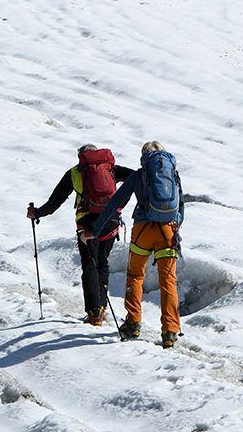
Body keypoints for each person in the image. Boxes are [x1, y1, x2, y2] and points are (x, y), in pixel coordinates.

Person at [90, 141, 185, 348]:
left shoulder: (139, 175)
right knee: (167, 280)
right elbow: (181, 207)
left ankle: (133, 323)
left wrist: (95, 231)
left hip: (143, 230)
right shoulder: (173, 175)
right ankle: (169, 331)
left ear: (144, 156)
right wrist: (175, 229)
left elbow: (115, 203)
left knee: (135, 275)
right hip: (167, 230)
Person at [27, 145, 134, 325]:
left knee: (90, 265)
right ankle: (102, 307)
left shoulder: (75, 173)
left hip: (86, 224)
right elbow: (134, 178)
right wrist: (119, 205)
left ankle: (94, 314)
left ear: (81, 157)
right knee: (102, 262)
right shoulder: (110, 169)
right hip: (110, 221)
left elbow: (55, 202)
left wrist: (36, 213)